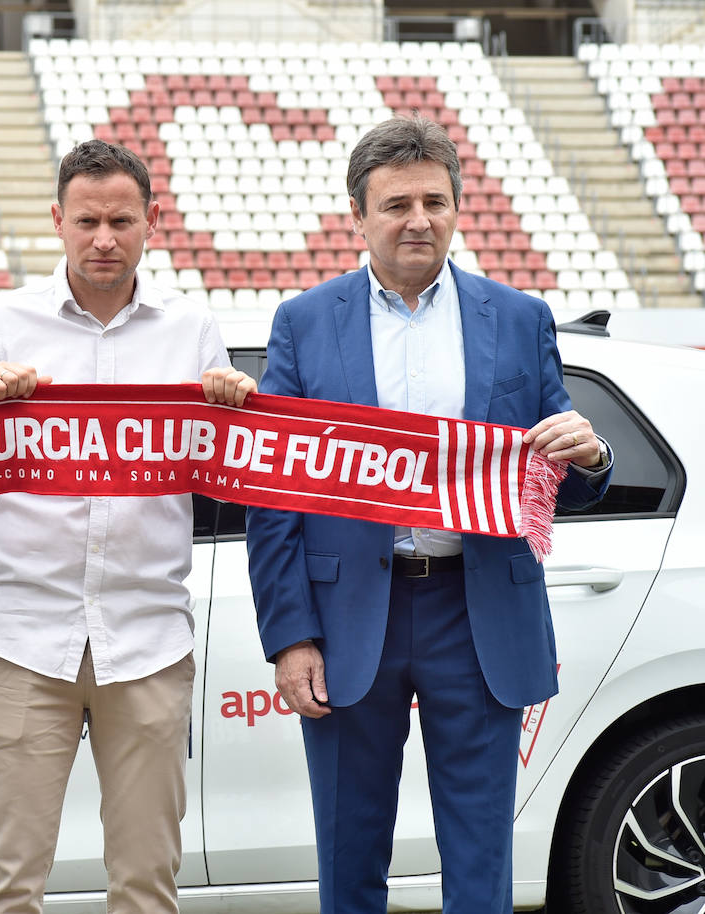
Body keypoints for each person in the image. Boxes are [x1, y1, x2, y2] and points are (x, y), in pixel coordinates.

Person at [246, 115, 613, 914]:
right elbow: (274, 493)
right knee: (350, 853)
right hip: (348, 618)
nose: (419, 219)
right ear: (359, 214)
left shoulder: (519, 318)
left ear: (456, 207)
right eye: (397, 204)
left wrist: (590, 456)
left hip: (477, 608)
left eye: (435, 201)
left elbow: (559, 473)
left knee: (481, 858)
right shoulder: (304, 323)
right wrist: (290, 635)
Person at [0, 138, 257, 914]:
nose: (104, 238)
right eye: (87, 221)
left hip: (148, 640)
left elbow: (229, 469)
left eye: (121, 220)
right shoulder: (4, 321)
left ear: (153, 221)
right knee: (9, 884)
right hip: (27, 636)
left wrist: (236, 407)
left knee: (148, 884)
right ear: (58, 220)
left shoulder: (191, 331)